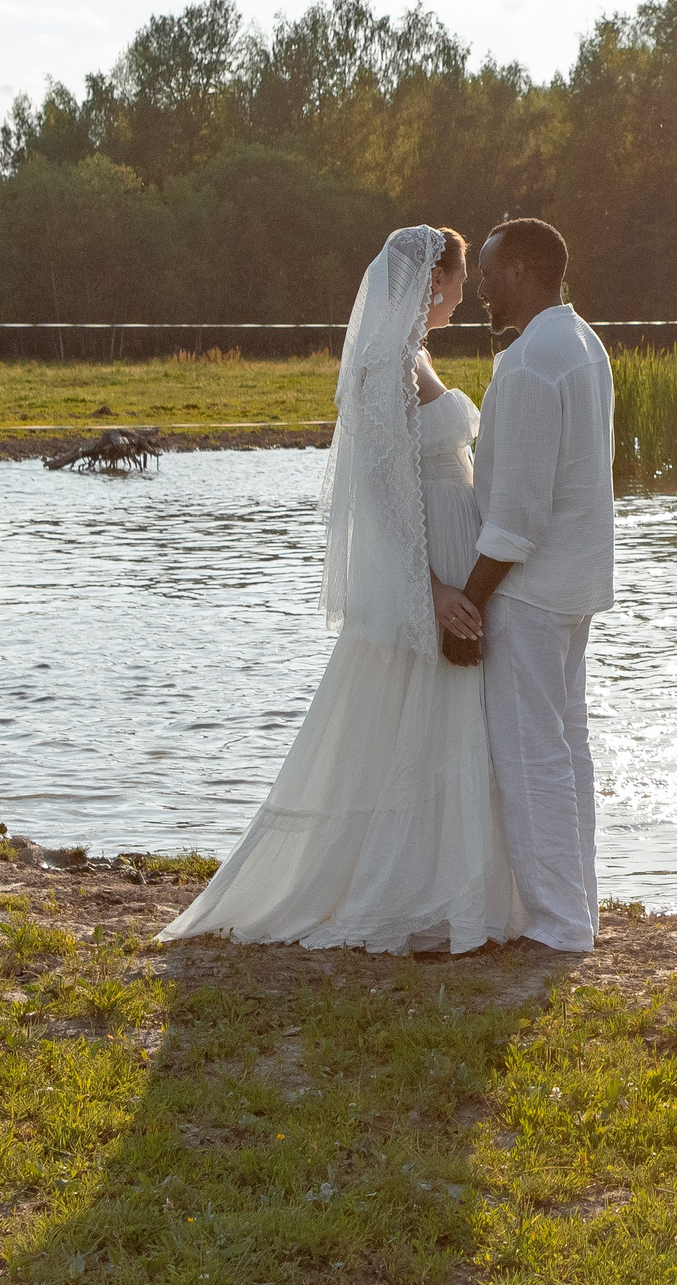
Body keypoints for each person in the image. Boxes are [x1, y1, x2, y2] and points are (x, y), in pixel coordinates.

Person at [162, 226, 524, 953]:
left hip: (454, 557)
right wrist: (430, 589)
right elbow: (380, 494)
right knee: (409, 716)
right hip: (429, 572)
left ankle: (452, 888)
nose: (464, 293)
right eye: (457, 279)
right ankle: (403, 894)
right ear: (434, 280)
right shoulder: (384, 364)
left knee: (441, 723)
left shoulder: (413, 354)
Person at [451, 217, 615, 954]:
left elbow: (514, 516)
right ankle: (577, 910)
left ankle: (557, 922)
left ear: (520, 270)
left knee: (531, 755)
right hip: (575, 585)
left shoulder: (525, 364)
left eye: (487, 273)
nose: (481, 288)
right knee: (567, 749)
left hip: (528, 590)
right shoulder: (584, 343)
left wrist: (467, 602)